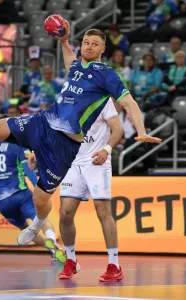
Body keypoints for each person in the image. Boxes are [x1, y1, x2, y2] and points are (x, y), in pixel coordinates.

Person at [0, 20, 162, 250]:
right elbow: (70, 60)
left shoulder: (107, 75)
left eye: (95, 44)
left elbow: (130, 104)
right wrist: (63, 41)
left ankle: (38, 224)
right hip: (42, 122)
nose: (89, 47)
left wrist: (141, 131)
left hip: (64, 147)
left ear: (103, 49)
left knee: (40, 200)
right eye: (86, 42)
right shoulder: (77, 67)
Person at [0, 115, 66, 262]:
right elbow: (28, 171)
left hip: (2, 203)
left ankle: (50, 250)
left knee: (26, 231)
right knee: (40, 221)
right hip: (21, 195)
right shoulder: (17, 146)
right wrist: (41, 189)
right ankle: (52, 242)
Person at [55, 99, 124, 281]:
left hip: (97, 161)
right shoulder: (68, 99)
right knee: (65, 212)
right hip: (73, 162)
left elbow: (117, 129)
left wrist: (106, 150)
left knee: (103, 211)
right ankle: (71, 261)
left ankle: (114, 265)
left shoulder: (102, 100)